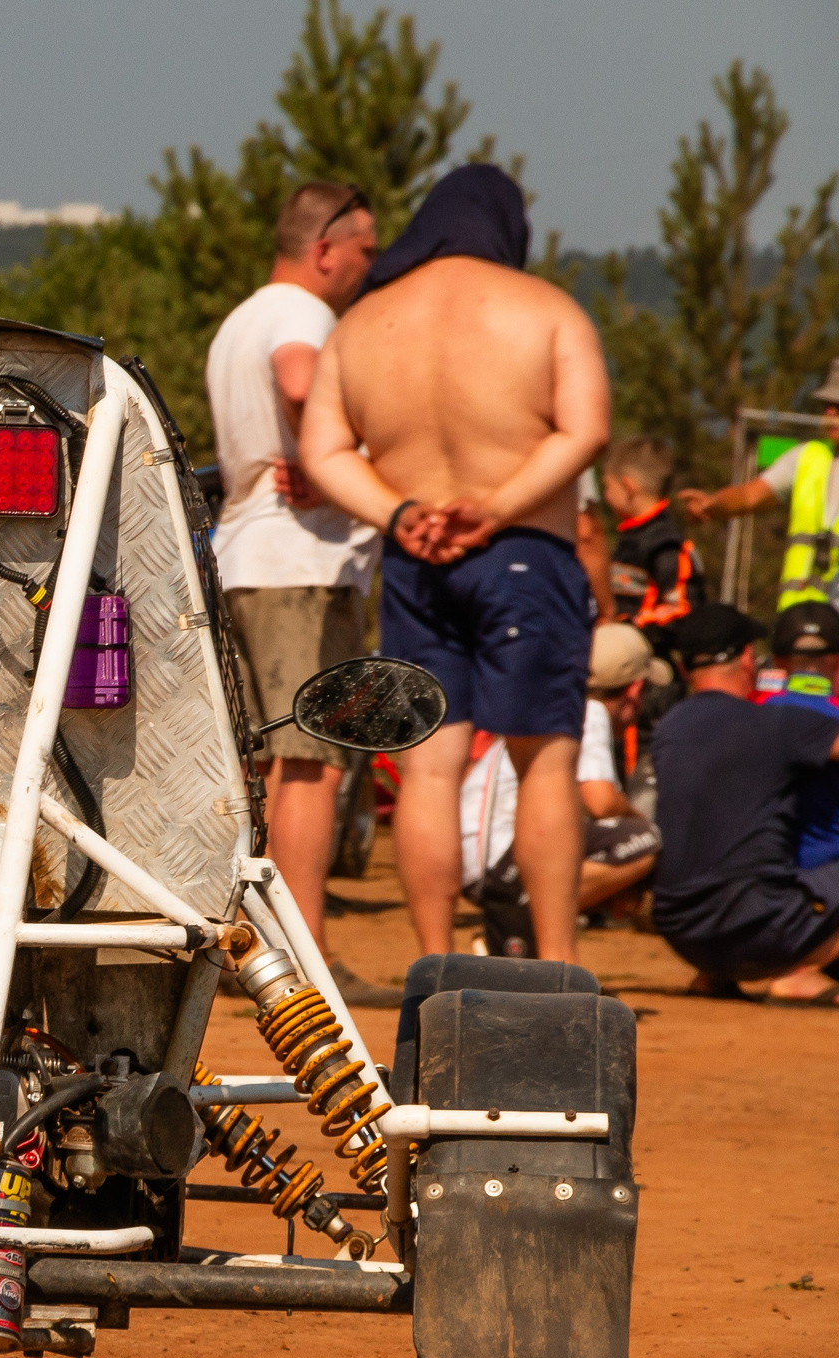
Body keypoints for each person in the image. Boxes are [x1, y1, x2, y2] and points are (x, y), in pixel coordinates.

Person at [298, 163, 610, 965]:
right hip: (522, 553)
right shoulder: (544, 309)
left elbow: (323, 449)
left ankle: (434, 959)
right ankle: (557, 962)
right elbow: (584, 433)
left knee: (429, 771)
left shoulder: (362, 324)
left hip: (415, 558)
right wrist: (498, 507)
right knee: (544, 759)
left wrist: (400, 513)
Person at [203, 181, 386, 998]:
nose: (370, 265)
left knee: (269, 764)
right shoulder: (305, 319)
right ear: (324, 250)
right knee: (311, 763)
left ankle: (266, 947)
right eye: (365, 249)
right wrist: (339, 451)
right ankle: (304, 953)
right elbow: (305, 384)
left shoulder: (244, 315)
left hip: (249, 557)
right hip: (301, 566)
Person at [648, 603, 839, 1004]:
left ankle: (711, 976)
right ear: (748, 658)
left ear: (684, 670)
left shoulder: (670, 729)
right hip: (762, 928)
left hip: (682, 934)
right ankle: (800, 974)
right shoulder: (773, 725)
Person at [459, 622, 663, 955]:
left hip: (482, 859)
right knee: (643, 839)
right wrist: (638, 816)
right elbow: (601, 801)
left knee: (595, 839)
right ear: (635, 691)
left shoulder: (552, 704)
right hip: (498, 864)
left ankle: (515, 933)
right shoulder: (589, 711)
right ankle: (516, 925)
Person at [679, 360, 839, 609]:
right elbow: (749, 496)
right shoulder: (808, 457)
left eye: (838, 406)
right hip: (802, 613)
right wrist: (712, 504)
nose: (830, 414)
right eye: (827, 406)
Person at [759, 599, 839, 873]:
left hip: (764, 877)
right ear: (837, 660)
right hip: (828, 877)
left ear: (779, 660)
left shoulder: (754, 714)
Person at [601, 435, 705, 630]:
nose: (605, 496)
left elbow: (681, 608)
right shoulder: (631, 536)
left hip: (652, 650)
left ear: (628, 486)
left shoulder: (665, 543)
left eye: (607, 486)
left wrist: (633, 624)